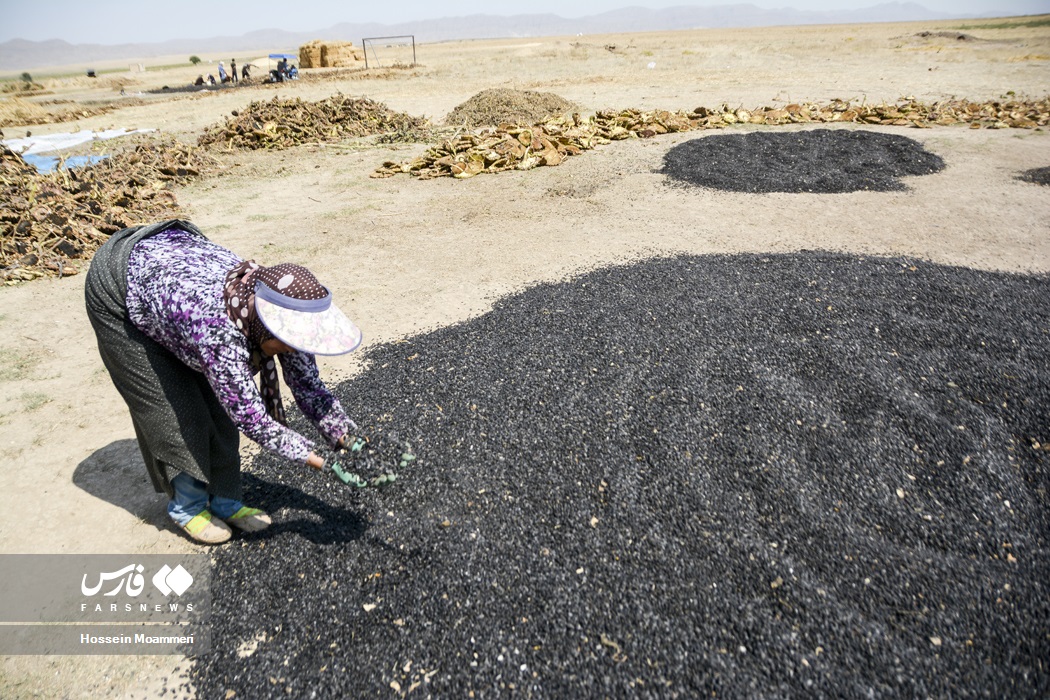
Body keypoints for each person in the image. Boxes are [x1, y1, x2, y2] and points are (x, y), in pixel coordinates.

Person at [85, 220, 363, 544]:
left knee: (220, 406)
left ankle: (226, 501)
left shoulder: (274, 310)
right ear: (263, 328)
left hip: (176, 267)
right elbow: (252, 418)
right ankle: (187, 508)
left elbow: (310, 388)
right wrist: (321, 460)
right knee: (178, 413)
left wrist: (350, 438)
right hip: (120, 287)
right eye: (286, 342)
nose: (292, 350)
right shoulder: (219, 332)